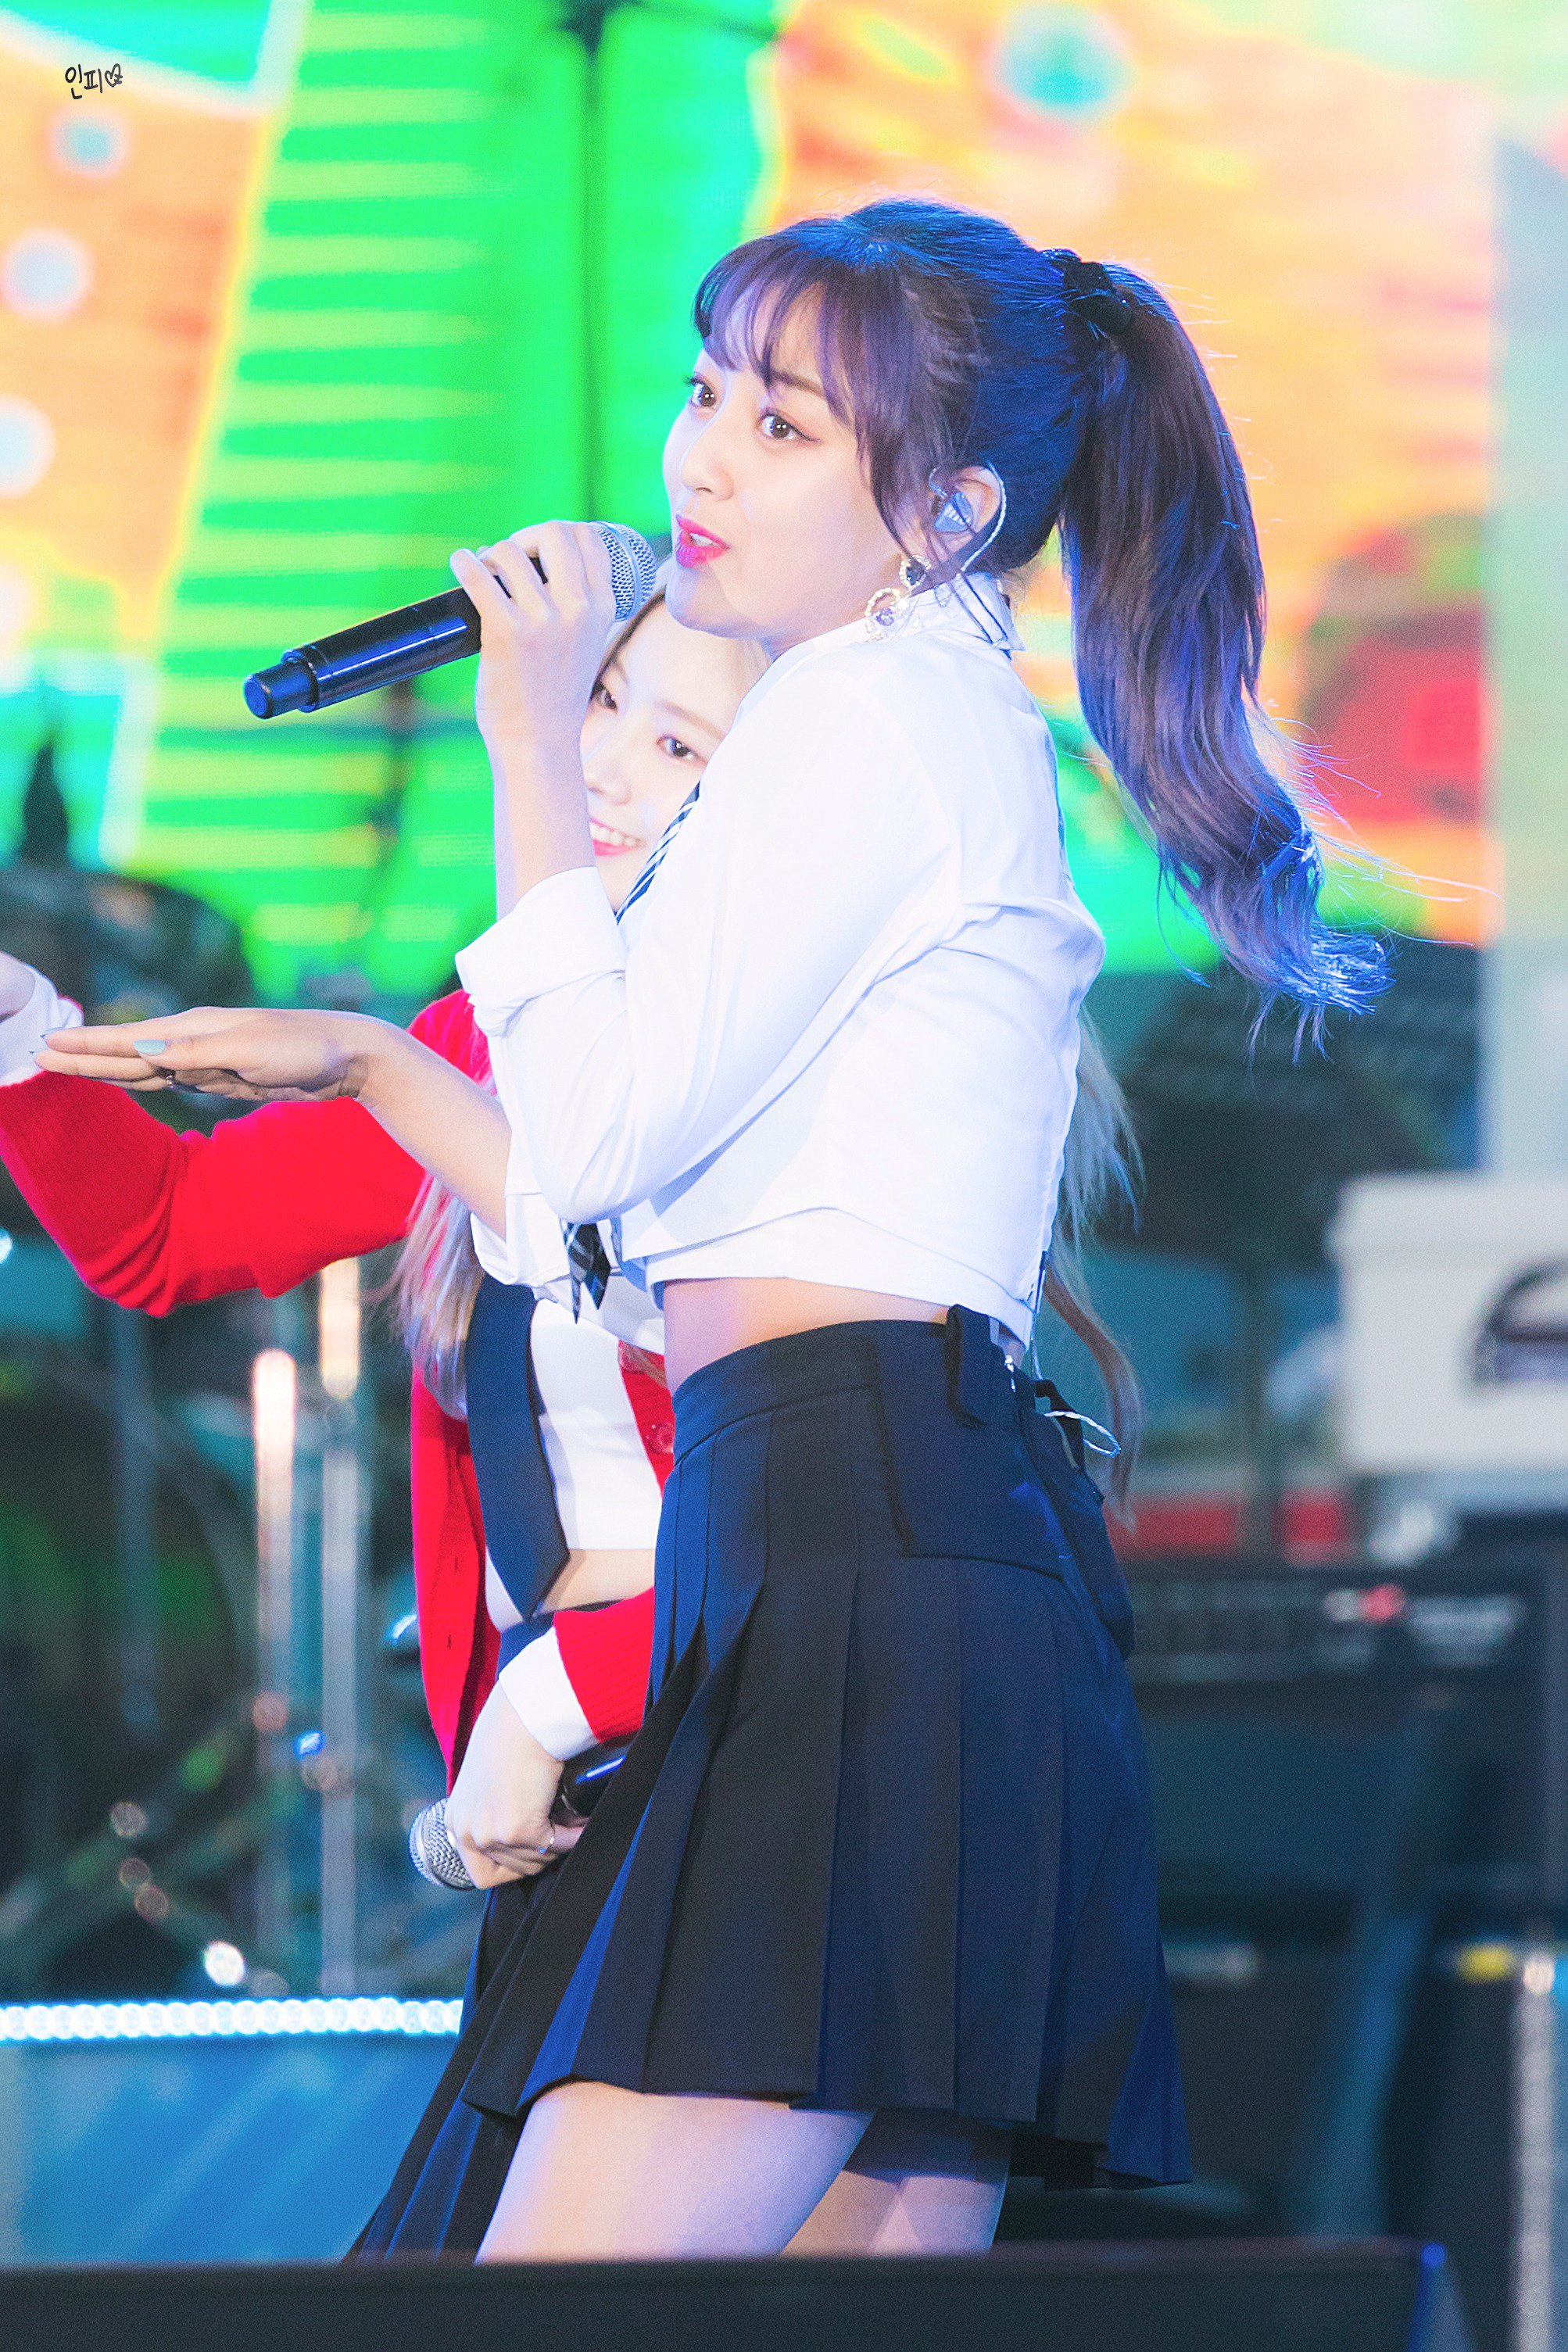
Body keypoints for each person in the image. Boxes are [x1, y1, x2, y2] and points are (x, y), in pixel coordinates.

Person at [44, 200, 1384, 2258]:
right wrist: (367, 1060)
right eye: (703, 394)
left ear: (942, 510)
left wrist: (523, 726)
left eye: (781, 424)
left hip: (862, 1540)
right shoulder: (889, 722)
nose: (700, 459)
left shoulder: (871, 724)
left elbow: (583, 1135)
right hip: (855, 1546)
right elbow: (578, 1202)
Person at [3, 588, 764, 1872]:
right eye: (598, 700)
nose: (600, 767)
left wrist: (557, 1694)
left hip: (735, 1724)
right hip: (559, 1758)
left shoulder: (778, 1059)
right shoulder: (477, 1042)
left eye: (678, 744)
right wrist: (25, 1040)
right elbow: (169, 1229)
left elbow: (821, 1513)